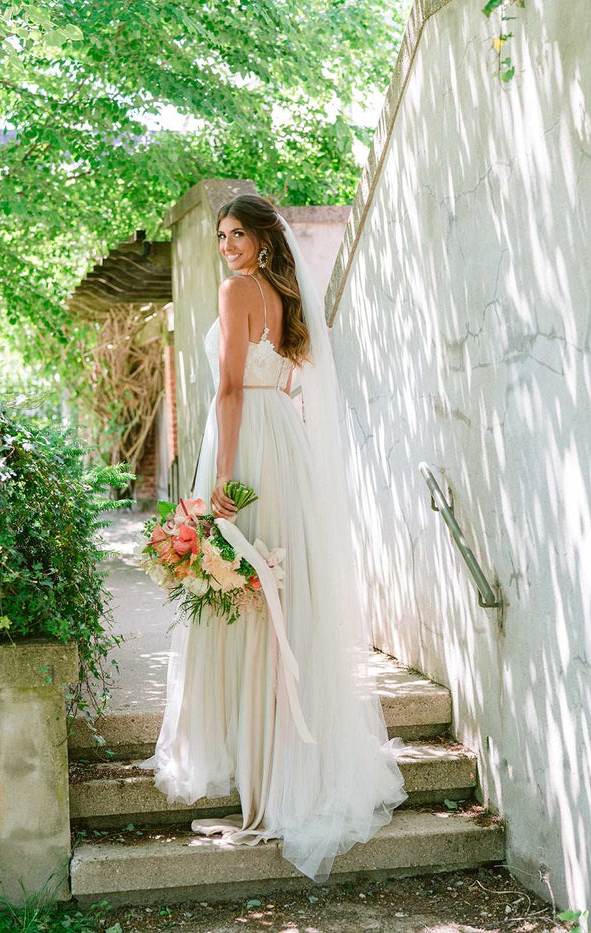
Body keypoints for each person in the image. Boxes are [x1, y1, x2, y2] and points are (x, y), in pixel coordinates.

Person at [141, 194, 410, 882]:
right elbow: (289, 381)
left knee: (250, 595)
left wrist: (222, 477)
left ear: (264, 240)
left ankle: (263, 770)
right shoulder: (286, 296)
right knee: (272, 596)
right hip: (284, 444)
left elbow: (230, 388)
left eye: (237, 234)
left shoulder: (237, 293)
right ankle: (279, 759)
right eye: (220, 235)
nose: (225, 245)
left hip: (246, 447)